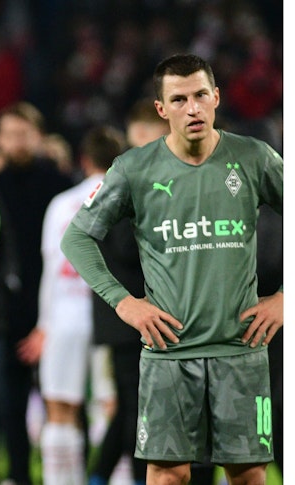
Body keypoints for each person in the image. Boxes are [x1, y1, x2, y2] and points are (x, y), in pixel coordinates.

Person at [60, 53, 283, 485]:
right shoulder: (134, 169)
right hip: (168, 355)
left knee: (249, 474)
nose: (193, 108)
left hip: (240, 350)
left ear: (216, 98)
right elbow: (77, 238)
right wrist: (125, 304)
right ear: (162, 110)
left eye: (201, 95)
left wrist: (285, 299)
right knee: (166, 476)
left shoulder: (255, 158)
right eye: (179, 99)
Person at [0, 102, 73, 484]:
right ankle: (14, 475)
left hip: (54, 307)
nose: (18, 141)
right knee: (5, 401)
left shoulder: (62, 186)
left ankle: (58, 473)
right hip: (5, 311)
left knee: (62, 398)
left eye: (25, 133)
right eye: (10, 134)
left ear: (39, 137)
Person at [17, 125, 126, 485]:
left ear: (84, 160)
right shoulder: (127, 200)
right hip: (114, 316)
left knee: (60, 409)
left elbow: (52, 266)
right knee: (113, 410)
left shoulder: (62, 204)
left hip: (64, 316)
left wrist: (43, 325)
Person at [87, 97, 169, 485]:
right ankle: (136, 478)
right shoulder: (131, 179)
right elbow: (121, 245)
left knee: (133, 406)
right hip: (131, 316)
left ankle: (100, 475)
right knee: (140, 407)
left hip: (130, 317)